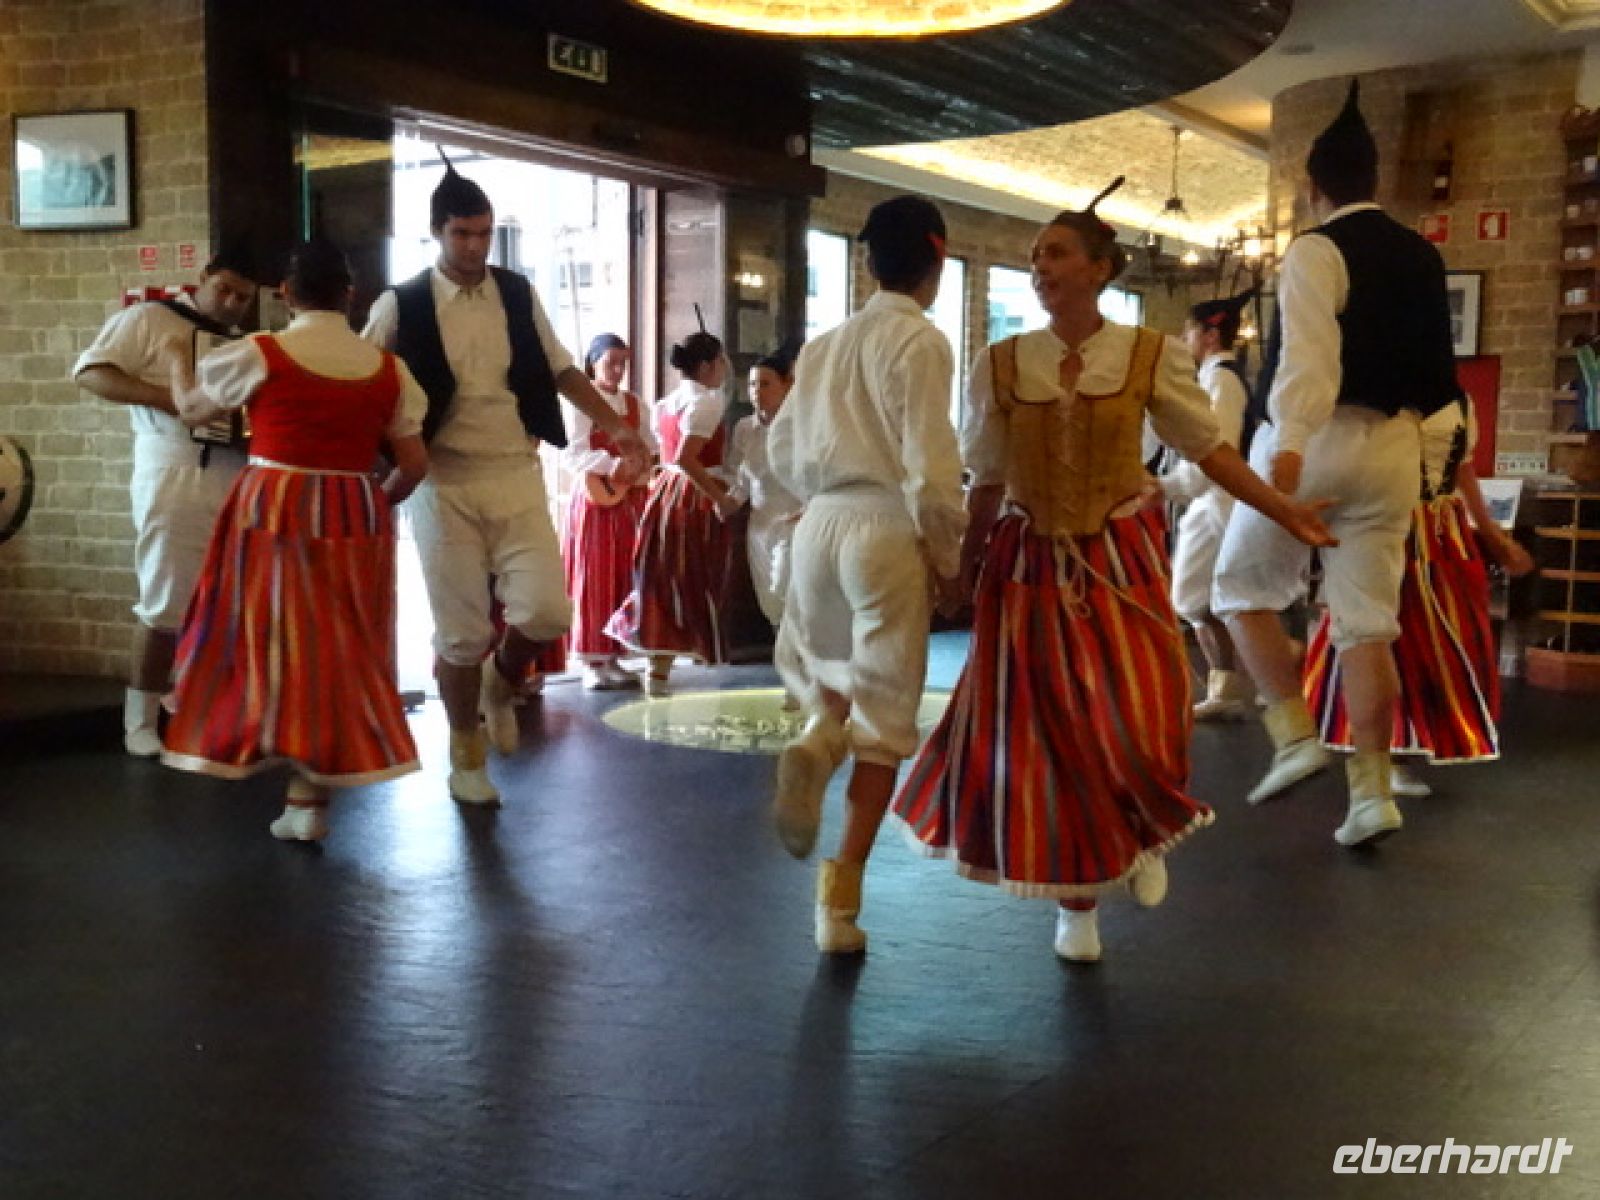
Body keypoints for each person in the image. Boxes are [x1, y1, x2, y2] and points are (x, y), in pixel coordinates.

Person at [891, 182, 1336, 963]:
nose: (1040, 266)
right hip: (1027, 562)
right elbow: (987, 478)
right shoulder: (1002, 363)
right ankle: (1078, 904)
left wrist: (1282, 509)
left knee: (1137, 712)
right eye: (1034, 256)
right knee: (1044, 737)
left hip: (1114, 561)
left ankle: (1141, 826)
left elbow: (1209, 449)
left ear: (1102, 269)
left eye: (1055, 252)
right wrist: (959, 570)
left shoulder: (1147, 355)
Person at [1211, 81, 1463, 848]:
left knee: (1239, 589)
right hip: (1395, 448)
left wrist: (1287, 448)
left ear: (1311, 186)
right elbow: (1442, 380)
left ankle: (1294, 737)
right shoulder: (1423, 254)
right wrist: (1427, 471)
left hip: (1313, 443)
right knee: (1366, 627)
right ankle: (1372, 796)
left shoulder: (1315, 249)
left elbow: (1309, 361)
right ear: (1375, 182)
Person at [363, 156, 647, 807]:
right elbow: (365, 377)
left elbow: (562, 369)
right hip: (442, 482)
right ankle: (466, 754)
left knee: (549, 611)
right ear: (437, 232)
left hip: (517, 471)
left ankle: (504, 676)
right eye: (463, 234)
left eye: (484, 233)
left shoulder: (516, 292)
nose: (475, 246)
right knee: (460, 633)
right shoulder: (400, 303)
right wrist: (375, 460)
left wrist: (618, 426)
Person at [159, 240, 429, 842]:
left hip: (274, 501)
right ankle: (307, 802)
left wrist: (177, 358)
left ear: (286, 294)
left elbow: (192, 409)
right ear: (350, 295)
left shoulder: (261, 351)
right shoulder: (388, 370)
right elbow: (413, 462)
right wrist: (373, 503)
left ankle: (249, 745)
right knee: (337, 645)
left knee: (262, 634)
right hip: (353, 504)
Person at [766, 194, 966, 955]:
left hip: (819, 522)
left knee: (836, 680)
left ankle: (818, 739)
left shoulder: (822, 345)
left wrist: (813, 502)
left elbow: (780, 452)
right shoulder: (922, 343)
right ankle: (837, 906)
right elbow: (932, 467)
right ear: (937, 256)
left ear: (865, 259)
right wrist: (949, 558)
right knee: (883, 727)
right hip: (884, 525)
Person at [73, 244, 262, 758]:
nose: (230, 304)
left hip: (232, 472)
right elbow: (90, 372)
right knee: (165, 598)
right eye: (224, 289)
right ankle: (139, 719)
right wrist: (171, 401)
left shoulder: (244, 343)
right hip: (172, 464)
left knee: (224, 601)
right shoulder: (151, 319)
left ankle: (195, 706)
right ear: (201, 278)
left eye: (242, 298)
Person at [1303, 398, 1535, 787]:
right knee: (1382, 633)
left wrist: (1493, 535)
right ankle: (1379, 753)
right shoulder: (1377, 396)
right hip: (1387, 520)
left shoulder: (1459, 403)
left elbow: (1463, 471)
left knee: (1440, 637)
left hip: (1443, 531)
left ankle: (1402, 741)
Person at [605, 327, 737, 697]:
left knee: (663, 579)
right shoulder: (707, 402)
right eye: (721, 360)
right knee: (694, 577)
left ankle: (657, 670)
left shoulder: (667, 403)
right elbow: (686, 458)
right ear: (709, 365)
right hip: (694, 496)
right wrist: (720, 497)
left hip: (663, 493)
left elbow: (668, 457)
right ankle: (670, 663)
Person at [1165, 290, 1257, 721]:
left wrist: (1169, 485)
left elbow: (1213, 449)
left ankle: (1264, 668)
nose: (1184, 337)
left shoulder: (1221, 380)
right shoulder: (1216, 378)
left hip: (1218, 502)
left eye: (1189, 329)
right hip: (1213, 501)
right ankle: (1229, 684)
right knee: (1207, 599)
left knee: (1197, 597)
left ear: (1209, 333)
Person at [561, 333, 656, 690]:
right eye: (609, 362)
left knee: (622, 575)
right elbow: (573, 452)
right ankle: (591, 657)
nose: (617, 370)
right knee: (594, 574)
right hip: (596, 499)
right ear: (593, 363)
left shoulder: (635, 405)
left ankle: (615, 653)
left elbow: (650, 446)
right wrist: (610, 465)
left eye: (622, 362)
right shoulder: (582, 404)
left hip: (628, 500)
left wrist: (641, 466)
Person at [730, 347, 803, 633]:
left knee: (786, 586)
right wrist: (727, 501)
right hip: (759, 524)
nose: (757, 391)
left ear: (787, 385)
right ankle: (784, 661)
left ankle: (802, 660)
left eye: (765, 384)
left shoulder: (802, 427)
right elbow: (740, 479)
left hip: (794, 520)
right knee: (769, 601)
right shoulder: (744, 428)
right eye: (752, 384)